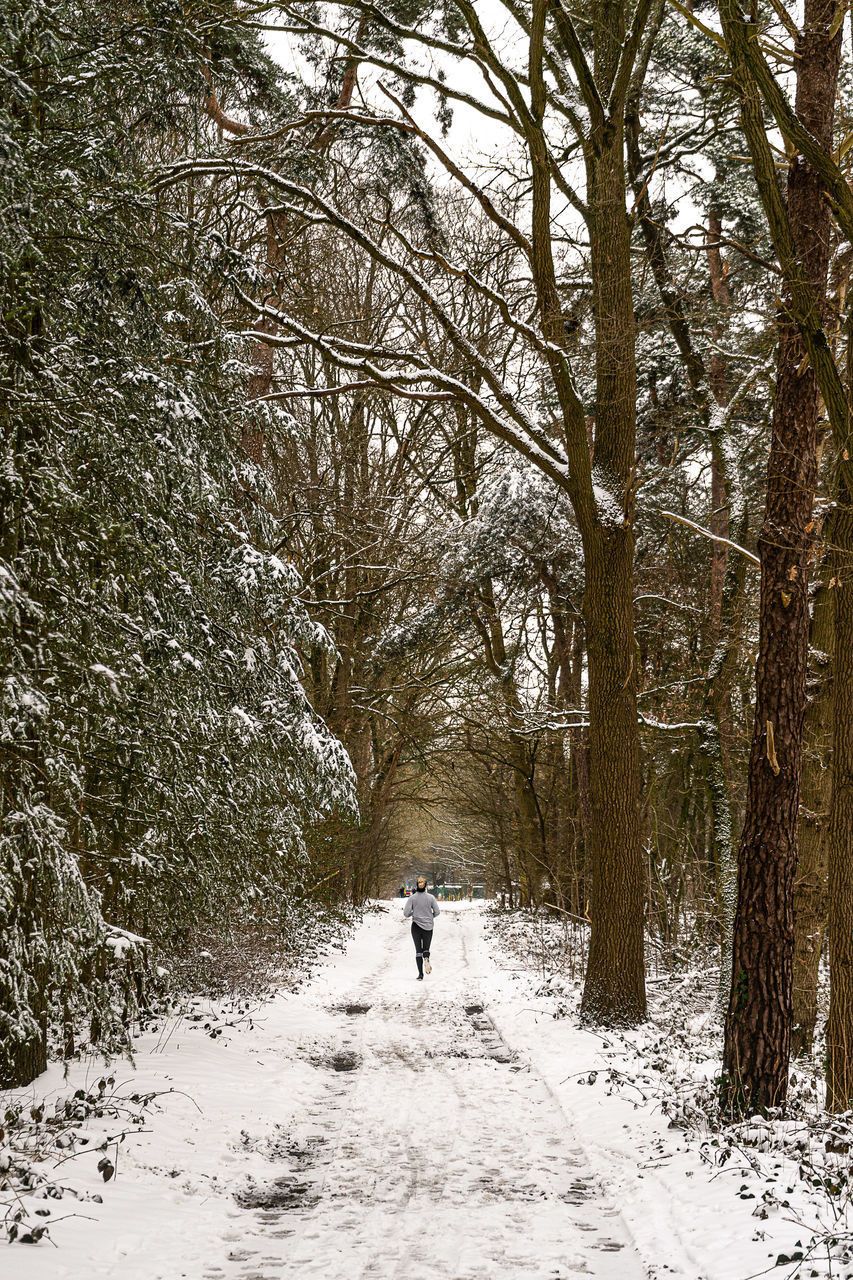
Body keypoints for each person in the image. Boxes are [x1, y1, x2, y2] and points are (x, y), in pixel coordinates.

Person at [403, 875, 440, 979]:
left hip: (416, 926)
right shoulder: (431, 898)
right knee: (426, 948)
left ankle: (420, 974)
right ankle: (427, 957)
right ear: (426, 886)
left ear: (416, 886)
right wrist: (430, 917)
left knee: (418, 951)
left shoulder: (412, 898)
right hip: (428, 926)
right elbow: (437, 912)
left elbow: (406, 914)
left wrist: (413, 913)